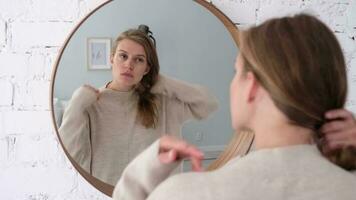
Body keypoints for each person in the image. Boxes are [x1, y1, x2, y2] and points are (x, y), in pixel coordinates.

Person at [113, 14, 356, 200]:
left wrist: (144, 169)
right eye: (123, 56)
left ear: (251, 86)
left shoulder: (186, 194)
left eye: (236, 71)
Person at [59, 25, 218, 185]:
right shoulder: (90, 103)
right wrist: (76, 105)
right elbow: (68, 157)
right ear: (111, 59)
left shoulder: (161, 101)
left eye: (139, 59)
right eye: (123, 56)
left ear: (147, 68)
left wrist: (164, 81)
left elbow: (208, 104)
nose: (129, 65)